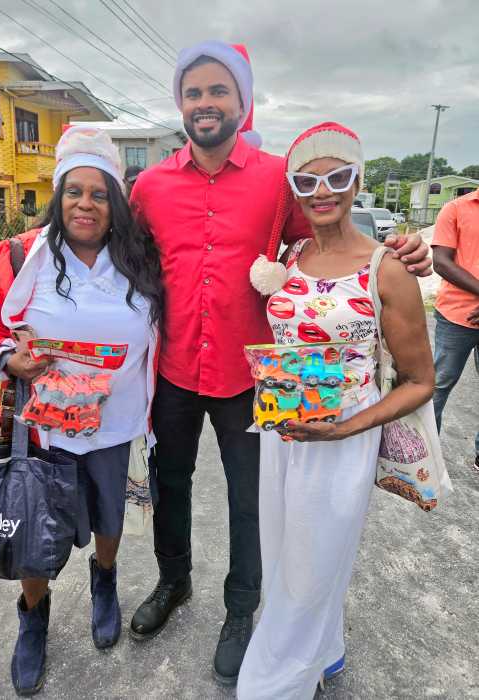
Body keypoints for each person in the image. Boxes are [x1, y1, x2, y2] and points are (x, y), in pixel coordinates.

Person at [128, 40, 431, 685]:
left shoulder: (277, 177)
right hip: (175, 370)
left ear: (242, 101)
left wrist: (408, 253)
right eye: (193, 93)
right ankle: (173, 582)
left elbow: (330, 231)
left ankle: (243, 612)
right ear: (179, 104)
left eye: (218, 92)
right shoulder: (150, 186)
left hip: (255, 377)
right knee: (170, 482)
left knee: (251, 502)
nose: (205, 104)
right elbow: (115, 252)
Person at [0, 125, 163, 696]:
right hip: (45, 428)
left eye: (100, 193)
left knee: (109, 517)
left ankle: (105, 581)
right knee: (34, 529)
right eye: (75, 191)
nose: (86, 203)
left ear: (115, 202)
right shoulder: (20, 254)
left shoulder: (139, 258)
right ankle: (34, 617)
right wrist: (7, 358)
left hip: (117, 424)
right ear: (57, 194)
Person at [237, 121, 435, 699]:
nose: (322, 191)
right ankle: (323, 649)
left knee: (315, 559)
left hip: (342, 443)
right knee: (280, 551)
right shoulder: (289, 256)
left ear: (357, 181)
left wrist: (346, 428)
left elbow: (421, 380)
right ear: (294, 190)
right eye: (307, 180)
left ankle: (277, 681)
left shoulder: (386, 267)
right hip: (283, 433)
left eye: (338, 177)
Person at [430, 189, 479, 472]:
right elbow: (442, 262)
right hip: (456, 315)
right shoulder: (456, 208)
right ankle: (428, 453)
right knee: (439, 385)